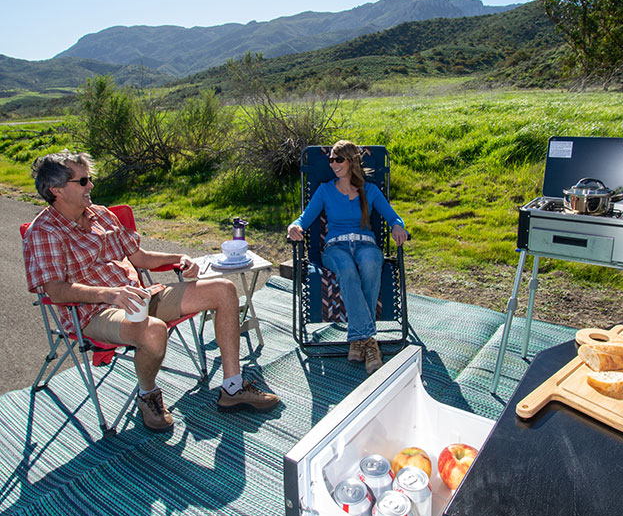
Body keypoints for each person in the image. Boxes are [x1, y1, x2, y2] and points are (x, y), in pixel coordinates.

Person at [23, 150, 280, 432]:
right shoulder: (44, 231)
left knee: (224, 289)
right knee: (153, 329)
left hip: (139, 296)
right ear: (57, 190)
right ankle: (148, 394)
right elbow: (56, 291)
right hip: (94, 312)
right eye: (83, 181)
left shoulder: (101, 215)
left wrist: (178, 258)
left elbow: (140, 258)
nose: (91, 186)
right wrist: (108, 294)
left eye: (90, 179)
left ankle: (232, 387)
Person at [287, 140, 407, 374]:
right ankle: (369, 341)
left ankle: (357, 341)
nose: (333, 164)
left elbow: (394, 217)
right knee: (348, 270)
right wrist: (294, 227)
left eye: (338, 159)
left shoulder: (370, 191)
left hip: (366, 246)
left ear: (351, 162)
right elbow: (303, 219)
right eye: (331, 159)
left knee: (372, 263)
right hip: (335, 248)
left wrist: (397, 227)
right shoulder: (325, 190)